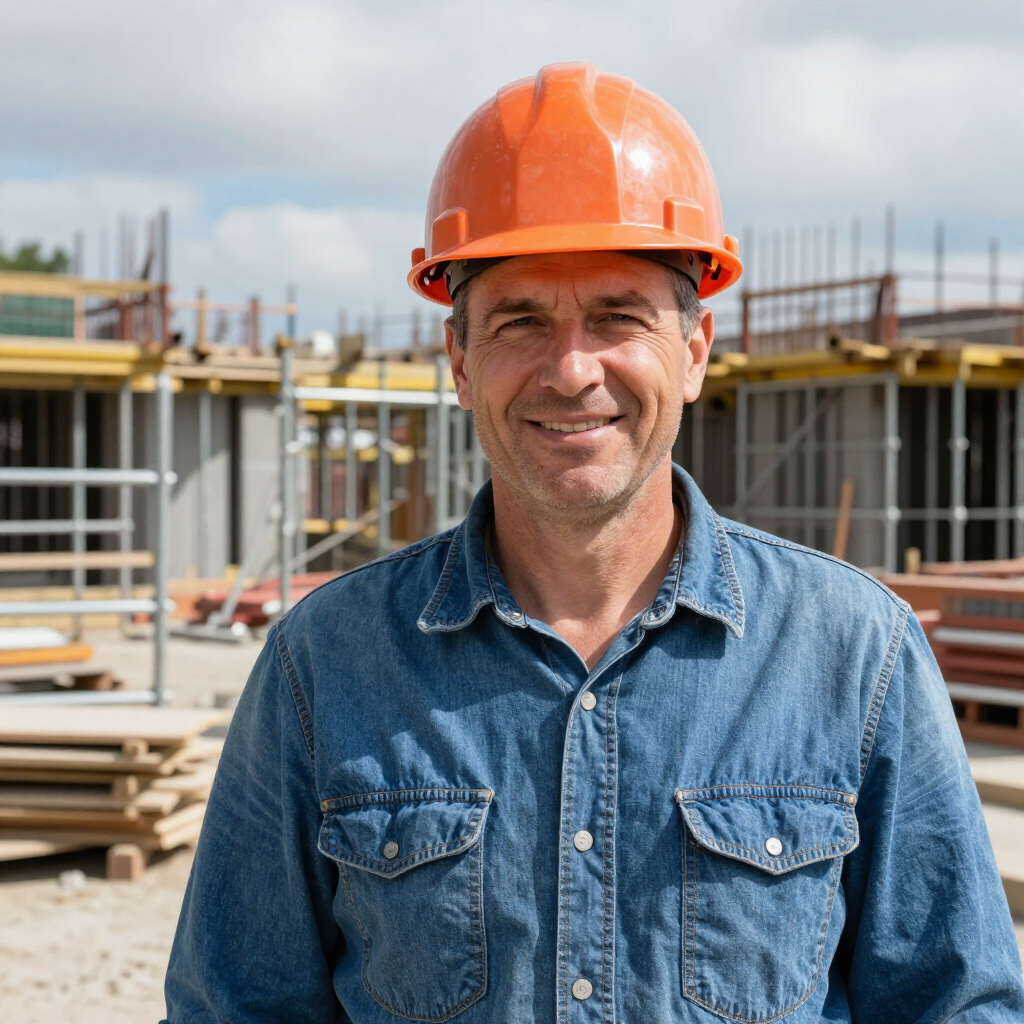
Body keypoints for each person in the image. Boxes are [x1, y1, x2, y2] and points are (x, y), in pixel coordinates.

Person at [163, 64, 1023, 1023]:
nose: (572, 371)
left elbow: (959, 1006)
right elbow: (234, 1008)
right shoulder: (323, 664)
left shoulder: (854, 654)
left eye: (618, 317)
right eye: (521, 322)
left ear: (694, 352)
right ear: (459, 362)